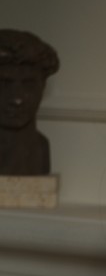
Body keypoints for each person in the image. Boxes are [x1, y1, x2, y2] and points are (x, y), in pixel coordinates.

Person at [0, 28, 59, 175]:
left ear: (43, 86)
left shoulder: (41, 147)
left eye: (29, 84)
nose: (17, 99)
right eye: (4, 84)